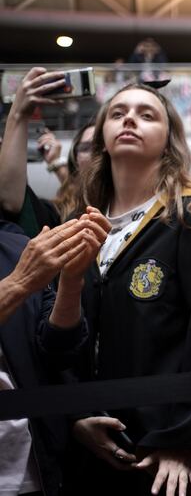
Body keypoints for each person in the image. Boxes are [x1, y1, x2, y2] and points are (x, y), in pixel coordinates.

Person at [65, 83, 191, 496]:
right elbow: (60, 335)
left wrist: (184, 438)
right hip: (93, 441)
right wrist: (74, 416)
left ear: (169, 140)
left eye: (147, 114)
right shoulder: (78, 223)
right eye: (118, 112)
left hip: (166, 453)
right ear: (102, 135)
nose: (129, 119)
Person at [0, 210, 110, 496]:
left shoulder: (14, 244)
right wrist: (18, 283)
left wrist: (71, 280)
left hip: (31, 470)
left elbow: (57, 352)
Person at [0, 68, 63, 235]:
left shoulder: (44, 209)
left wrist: (57, 164)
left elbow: (76, 201)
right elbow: (10, 200)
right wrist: (18, 113)